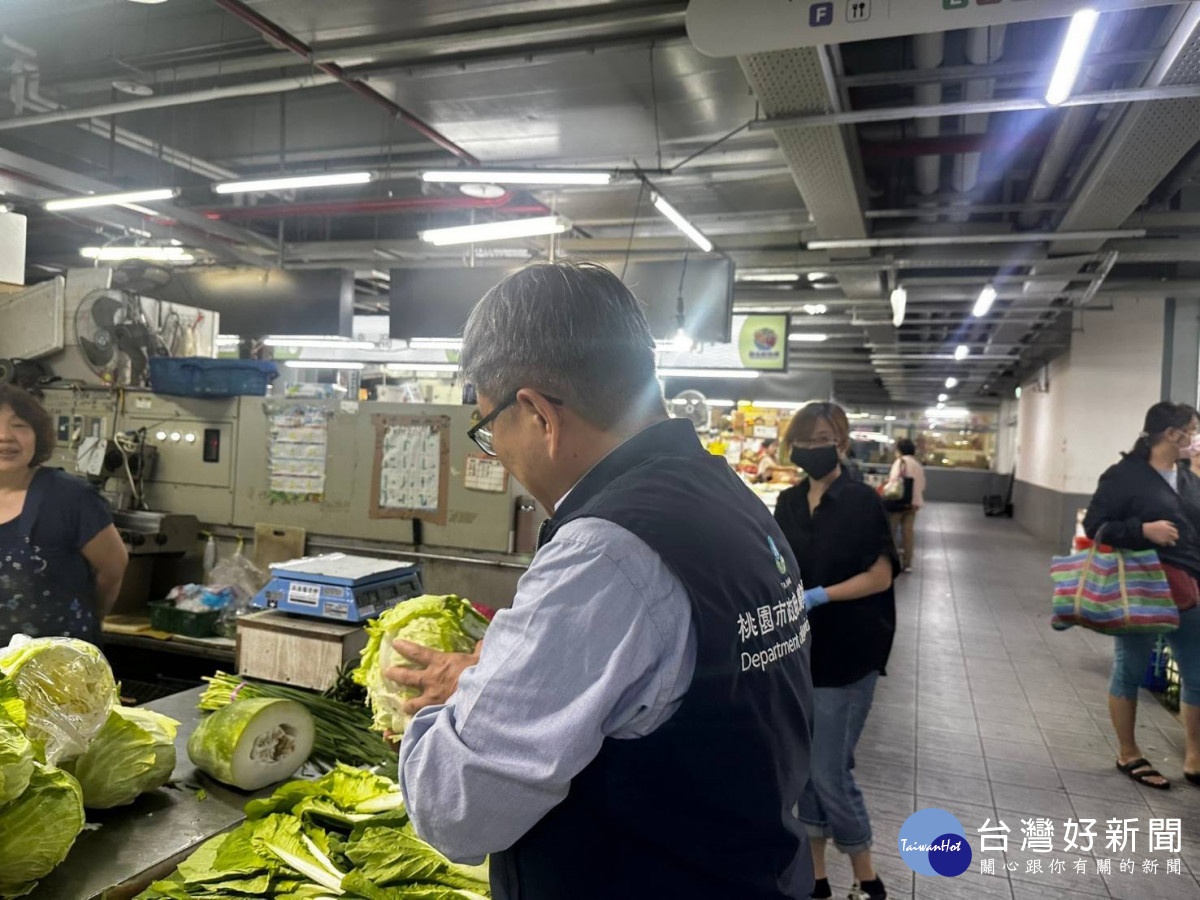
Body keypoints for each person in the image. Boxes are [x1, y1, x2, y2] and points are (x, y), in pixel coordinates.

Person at [393, 261, 815, 899]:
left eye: (488, 430)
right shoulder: (725, 495)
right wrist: (498, 674)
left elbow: (456, 808)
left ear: (538, 414)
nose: (498, 458)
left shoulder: (603, 553)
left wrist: (453, 707)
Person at [773, 401, 899, 900]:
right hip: (798, 652)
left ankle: (868, 878)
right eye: (802, 440)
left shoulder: (863, 501)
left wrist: (821, 595)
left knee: (829, 770)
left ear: (841, 440)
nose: (811, 448)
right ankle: (817, 878)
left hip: (849, 651)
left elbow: (881, 575)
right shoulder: (787, 501)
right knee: (803, 771)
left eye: (822, 437)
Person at [1084, 401, 1200, 790]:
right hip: (1141, 585)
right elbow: (1096, 524)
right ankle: (1128, 751)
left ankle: (1194, 756)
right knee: (1130, 668)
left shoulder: (1187, 478)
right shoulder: (1125, 475)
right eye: (1193, 431)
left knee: (1197, 671)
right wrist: (1143, 530)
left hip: (1187, 586)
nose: (1195, 439)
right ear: (1172, 433)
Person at [0, 386, 128, 644]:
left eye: (20, 425)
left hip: (58, 671)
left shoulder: (70, 497)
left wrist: (89, 624)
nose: (5, 436)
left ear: (38, 436)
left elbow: (112, 568)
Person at [886, 438, 926, 572]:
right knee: (908, 533)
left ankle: (891, 560)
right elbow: (922, 485)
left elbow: (894, 481)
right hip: (913, 504)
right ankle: (907, 563)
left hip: (898, 502)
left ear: (900, 450)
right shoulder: (918, 465)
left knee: (892, 531)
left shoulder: (900, 462)